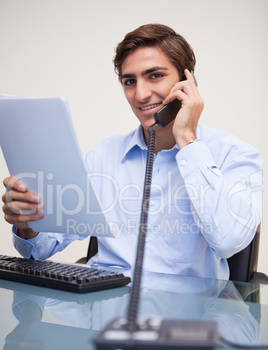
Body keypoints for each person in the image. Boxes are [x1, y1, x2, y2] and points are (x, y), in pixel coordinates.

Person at [2, 24, 263, 280]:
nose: (140, 94)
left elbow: (230, 242)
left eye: (155, 75)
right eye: (130, 81)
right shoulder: (102, 155)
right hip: (103, 309)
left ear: (187, 82)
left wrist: (187, 139)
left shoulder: (235, 155)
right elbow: (41, 249)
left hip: (188, 316)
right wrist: (27, 226)